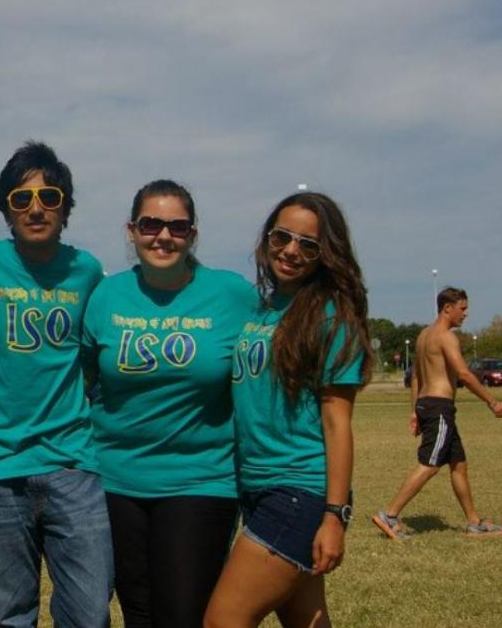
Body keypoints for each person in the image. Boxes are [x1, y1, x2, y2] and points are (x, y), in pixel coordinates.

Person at [0, 141, 112, 627]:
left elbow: (97, 354)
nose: (36, 208)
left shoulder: (87, 272)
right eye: (21, 199)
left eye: (50, 197)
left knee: (89, 611)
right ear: (5, 209)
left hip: (72, 463)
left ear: (66, 207)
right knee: (11, 614)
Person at [80, 180, 257, 628]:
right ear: (132, 230)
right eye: (151, 224)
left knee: (181, 614)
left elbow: (274, 361)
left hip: (200, 479)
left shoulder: (232, 295)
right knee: (137, 611)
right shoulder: (106, 296)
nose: (163, 236)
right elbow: (81, 381)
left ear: (193, 235)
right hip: (115, 480)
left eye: (177, 227)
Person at [205, 192, 372, 628]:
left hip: (298, 491)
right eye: (283, 237)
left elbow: (338, 423)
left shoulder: (330, 318)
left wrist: (335, 516)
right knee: (307, 621)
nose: (292, 250)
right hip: (256, 487)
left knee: (223, 620)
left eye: (308, 244)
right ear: (267, 239)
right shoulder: (263, 309)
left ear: (325, 255)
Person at [372, 287, 502, 539]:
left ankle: (474, 522)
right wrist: (492, 402)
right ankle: (389, 515)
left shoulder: (423, 336)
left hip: (429, 405)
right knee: (430, 464)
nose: (466, 314)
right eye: (462, 308)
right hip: (439, 407)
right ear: (447, 308)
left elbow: (417, 377)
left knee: (458, 465)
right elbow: (463, 373)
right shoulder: (446, 337)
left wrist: (415, 411)